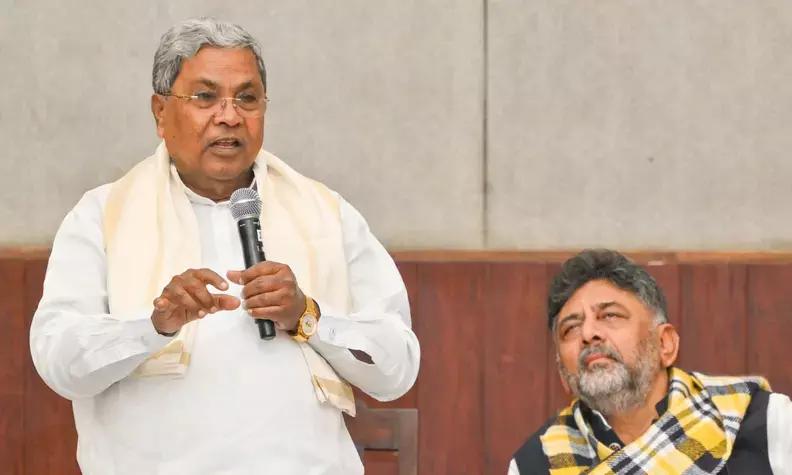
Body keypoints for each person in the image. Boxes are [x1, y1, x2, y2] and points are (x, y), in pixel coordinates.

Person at [29, 17, 420, 475]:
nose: (230, 116)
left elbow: (397, 368)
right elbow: (59, 361)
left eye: (247, 98)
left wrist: (307, 315)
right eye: (205, 97)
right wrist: (153, 325)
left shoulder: (327, 214)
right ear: (160, 112)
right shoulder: (102, 216)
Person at [508, 249, 791, 474]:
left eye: (610, 315)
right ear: (563, 374)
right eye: (570, 328)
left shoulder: (768, 423)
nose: (588, 333)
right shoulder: (536, 464)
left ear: (664, 344)